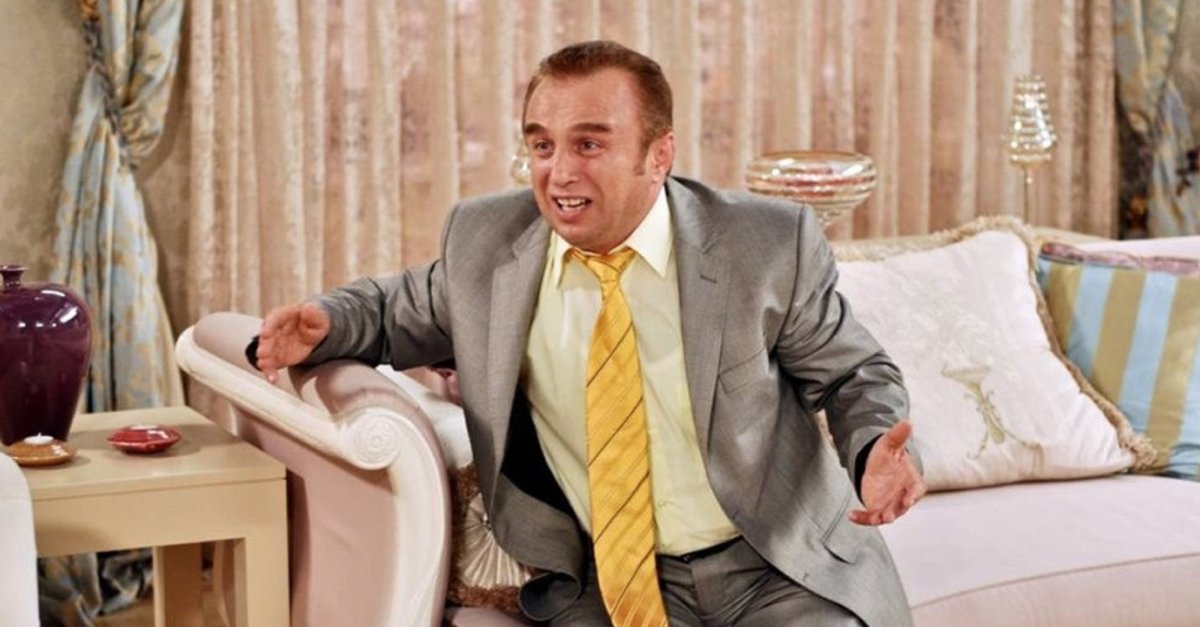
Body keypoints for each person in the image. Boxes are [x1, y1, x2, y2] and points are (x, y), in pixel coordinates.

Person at [255, 40, 926, 626]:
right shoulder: (486, 245)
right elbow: (388, 309)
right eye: (542, 145)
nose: (560, 172)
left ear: (658, 155)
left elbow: (851, 373)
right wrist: (327, 322)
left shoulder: (764, 245)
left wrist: (873, 450)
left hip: (776, 569)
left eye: (589, 144)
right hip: (606, 583)